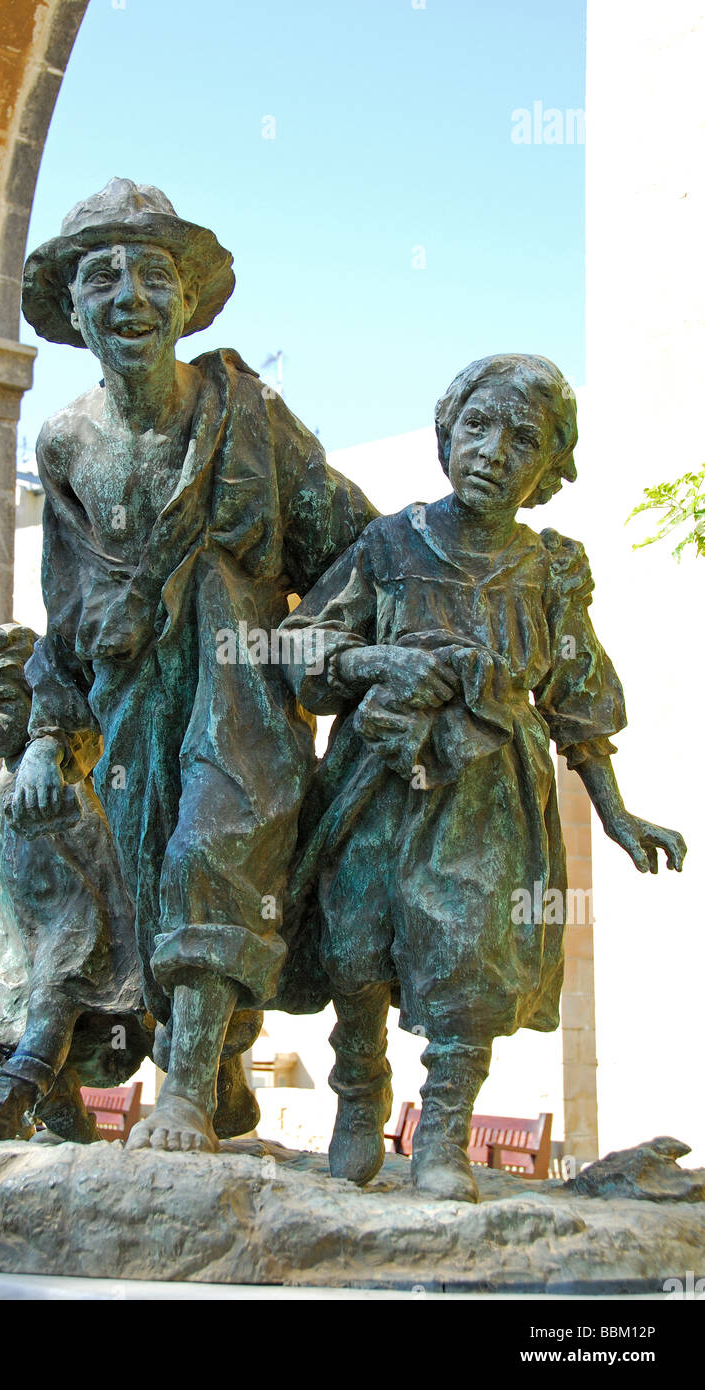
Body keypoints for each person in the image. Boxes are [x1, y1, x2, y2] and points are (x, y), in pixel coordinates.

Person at [11, 179, 378, 1153]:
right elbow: (64, 607)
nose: (128, 292)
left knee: (213, 850)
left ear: (184, 300)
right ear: (76, 309)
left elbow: (353, 542)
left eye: (152, 273)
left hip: (240, 680)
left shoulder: (247, 410)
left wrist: (324, 642)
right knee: (145, 873)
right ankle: (208, 1068)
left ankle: (183, 1092)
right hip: (133, 697)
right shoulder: (66, 443)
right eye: (103, 275)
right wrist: (51, 737)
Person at [279, 354, 686, 1199]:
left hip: (490, 798)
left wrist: (619, 814)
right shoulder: (388, 543)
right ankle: (360, 1095)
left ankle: (443, 1139)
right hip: (373, 786)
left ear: (548, 468)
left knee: (471, 963)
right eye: (478, 425)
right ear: (447, 432)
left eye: (523, 439)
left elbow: (576, 699)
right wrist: (383, 661)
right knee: (356, 949)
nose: (494, 451)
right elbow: (303, 648)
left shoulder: (549, 572)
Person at [0, 619, 153, 1143]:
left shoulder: (57, 763)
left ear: (33, 698)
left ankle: (5, 1105)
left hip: (84, 930)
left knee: (55, 996)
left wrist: (52, 750)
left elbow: (81, 742)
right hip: (26, 948)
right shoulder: (2, 788)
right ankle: (68, 1133)